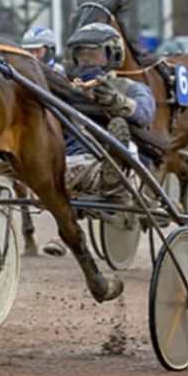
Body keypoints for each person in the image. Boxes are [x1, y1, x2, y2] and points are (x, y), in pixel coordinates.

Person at [43, 22, 157, 256]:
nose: (87, 61)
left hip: (119, 161)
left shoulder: (130, 87)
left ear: (112, 55)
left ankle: (113, 178)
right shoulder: (67, 88)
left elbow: (146, 112)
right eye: (82, 56)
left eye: (93, 55)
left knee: (119, 127)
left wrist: (118, 101)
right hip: (72, 158)